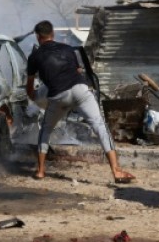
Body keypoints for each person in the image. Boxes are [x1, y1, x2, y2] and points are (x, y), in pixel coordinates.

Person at [25, 20, 135, 183]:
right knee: (100, 127)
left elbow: (29, 86)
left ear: (38, 37)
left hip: (58, 96)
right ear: (52, 34)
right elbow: (77, 71)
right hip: (80, 90)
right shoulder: (68, 49)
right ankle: (116, 171)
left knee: (46, 130)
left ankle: (41, 171)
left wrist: (34, 97)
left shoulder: (34, 56)